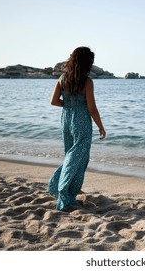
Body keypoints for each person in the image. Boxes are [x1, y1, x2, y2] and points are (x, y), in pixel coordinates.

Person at [48, 46, 106, 211]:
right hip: (81, 121)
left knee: (71, 156)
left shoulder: (62, 78)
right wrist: (101, 127)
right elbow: (92, 108)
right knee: (78, 159)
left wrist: (68, 106)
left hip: (66, 120)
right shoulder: (87, 81)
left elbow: (53, 101)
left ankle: (69, 192)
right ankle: (61, 190)